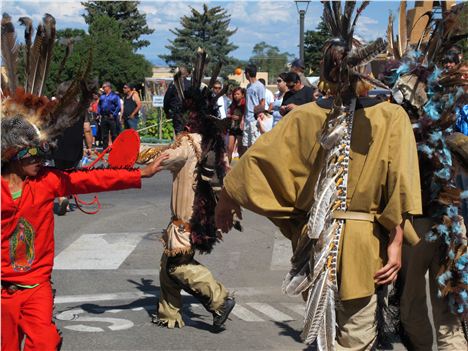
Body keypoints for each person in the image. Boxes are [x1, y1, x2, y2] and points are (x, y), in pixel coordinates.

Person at [215, 2, 422, 349]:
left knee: (326, 330)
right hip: (364, 245)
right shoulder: (391, 118)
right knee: (355, 338)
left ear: (324, 73)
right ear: (365, 71)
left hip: (315, 243)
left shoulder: (302, 117)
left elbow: (253, 166)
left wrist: (226, 201)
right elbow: (399, 188)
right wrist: (396, 246)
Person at [0, 14, 168, 350]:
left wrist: (141, 174)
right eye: (33, 156)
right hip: (2, 293)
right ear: (13, 156)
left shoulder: (47, 182)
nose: (40, 161)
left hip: (36, 288)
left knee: (45, 343)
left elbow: (93, 181)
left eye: (41, 155)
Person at [138, 50, 235, 330]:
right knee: (167, 265)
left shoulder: (187, 142)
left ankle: (219, 299)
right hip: (199, 215)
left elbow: (163, 158)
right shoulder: (206, 140)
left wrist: (137, 158)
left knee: (178, 266)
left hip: (187, 219)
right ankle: (169, 314)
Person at [390, 11, 468, 350]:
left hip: (419, 228)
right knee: (448, 311)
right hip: (449, 224)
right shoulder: (450, 135)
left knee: (413, 308)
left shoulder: (401, 137)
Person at [242, 64, 265, 152]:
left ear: (247, 73)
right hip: (247, 120)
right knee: (247, 146)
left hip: (254, 120)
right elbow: (247, 104)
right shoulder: (248, 86)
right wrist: (243, 119)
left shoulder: (259, 86)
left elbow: (262, 103)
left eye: (245, 73)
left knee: (255, 146)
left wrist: (258, 115)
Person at [164, 66, 191, 135]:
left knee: (179, 133)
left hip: (178, 113)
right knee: (188, 133)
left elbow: (166, 99)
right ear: (187, 74)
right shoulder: (191, 84)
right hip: (189, 114)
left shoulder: (173, 84)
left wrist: (167, 112)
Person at [97, 82, 121, 149]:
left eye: (104, 87)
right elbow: (99, 105)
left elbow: (118, 106)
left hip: (111, 117)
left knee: (114, 134)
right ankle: (105, 148)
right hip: (104, 117)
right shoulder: (102, 96)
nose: (103, 88)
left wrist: (114, 114)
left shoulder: (115, 96)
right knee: (104, 135)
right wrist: (98, 113)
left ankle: (115, 148)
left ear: (108, 87)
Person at [226, 87, 246, 162]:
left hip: (241, 128)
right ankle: (227, 166)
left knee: (240, 150)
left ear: (242, 95)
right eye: (235, 94)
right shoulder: (233, 104)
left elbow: (246, 115)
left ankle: (241, 168)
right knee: (229, 148)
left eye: (238, 94)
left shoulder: (245, 105)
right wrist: (231, 116)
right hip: (233, 127)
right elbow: (228, 114)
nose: (236, 96)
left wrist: (240, 118)